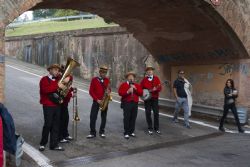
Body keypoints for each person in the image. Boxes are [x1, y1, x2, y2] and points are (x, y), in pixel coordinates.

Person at [39, 64, 68, 151]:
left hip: (57, 105)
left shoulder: (59, 80)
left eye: (57, 70)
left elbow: (63, 91)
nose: (57, 71)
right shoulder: (44, 79)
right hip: (48, 105)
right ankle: (43, 143)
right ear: (50, 70)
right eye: (55, 70)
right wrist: (58, 85)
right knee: (48, 124)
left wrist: (66, 85)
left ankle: (54, 144)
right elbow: (45, 90)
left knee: (56, 125)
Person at [87, 66, 111, 139]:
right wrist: (97, 99)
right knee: (93, 117)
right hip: (96, 101)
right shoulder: (94, 80)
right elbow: (91, 91)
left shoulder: (107, 80)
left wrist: (109, 92)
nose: (104, 74)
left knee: (104, 117)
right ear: (100, 72)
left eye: (105, 73)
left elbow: (109, 89)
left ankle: (102, 132)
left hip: (104, 101)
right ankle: (92, 132)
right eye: (102, 72)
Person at [118, 71, 143, 139]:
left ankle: (131, 131)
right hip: (127, 103)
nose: (131, 78)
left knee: (133, 117)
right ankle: (126, 132)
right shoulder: (123, 85)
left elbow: (141, 93)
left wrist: (135, 89)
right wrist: (127, 92)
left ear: (134, 78)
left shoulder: (136, 85)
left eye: (132, 77)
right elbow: (120, 93)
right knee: (127, 117)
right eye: (129, 77)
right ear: (127, 78)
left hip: (135, 103)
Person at [140, 66, 162, 135]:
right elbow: (140, 88)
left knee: (156, 113)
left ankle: (157, 128)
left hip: (155, 98)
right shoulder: (144, 80)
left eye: (151, 70)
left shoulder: (156, 78)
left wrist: (156, 89)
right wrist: (142, 95)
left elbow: (160, 87)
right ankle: (150, 128)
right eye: (148, 71)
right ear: (147, 72)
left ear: (153, 71)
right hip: (147, 99)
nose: (149, 71)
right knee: (148, 113)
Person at [58, 65, 74, 143]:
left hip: (65, 102)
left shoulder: (69, 77)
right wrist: (64, 81)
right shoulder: (59, 78)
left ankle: (65, 134)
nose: (68, 72)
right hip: (60, 101)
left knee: (66, 119)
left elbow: (68, 87)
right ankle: (60, 137)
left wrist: (72, 90)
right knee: (61, 120)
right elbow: (59, 88)